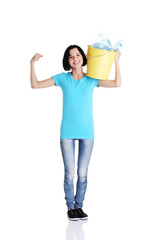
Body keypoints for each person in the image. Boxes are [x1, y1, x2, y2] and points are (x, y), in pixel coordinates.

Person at [30, 45, 121, 221]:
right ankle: (70, 208)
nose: (75, 59)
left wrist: (116, 60)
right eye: (71, 57)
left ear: (83, 57)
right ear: (68, 61)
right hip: (67, 133)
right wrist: (32, 63)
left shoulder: (92, 79)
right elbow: (35, 85)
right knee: (69, 173)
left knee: (83, 173)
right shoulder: (62, 79)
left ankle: (79, 206)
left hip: (87, 133)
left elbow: (117, 83)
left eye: (77, 55)